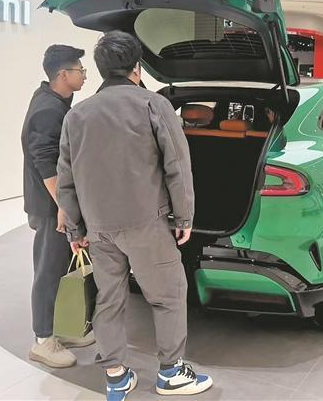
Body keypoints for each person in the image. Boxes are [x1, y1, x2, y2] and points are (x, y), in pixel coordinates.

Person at [57, 32, 213, 401]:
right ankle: (171, 374)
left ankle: (116, 377)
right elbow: (177, 166)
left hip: (99, 229)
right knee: (168, 295)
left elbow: (67, 176)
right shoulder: (153, 105)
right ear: (137, 68)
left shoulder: (76, 115)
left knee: (109, 300)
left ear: (100, 70)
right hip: (147, 224)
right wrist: (184, 218)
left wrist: (75, 230)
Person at [21, 44, 90, 368]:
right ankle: (43, 340)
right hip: (51, 207)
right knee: (49, 271)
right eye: (80, 70)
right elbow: (46, 162)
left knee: (63, 267)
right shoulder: (48, 109)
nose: (84, 75)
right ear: (63, 74)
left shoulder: (54, 101)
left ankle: (61, 329)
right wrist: (63, 205)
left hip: (55, 203)